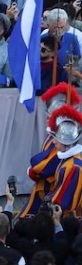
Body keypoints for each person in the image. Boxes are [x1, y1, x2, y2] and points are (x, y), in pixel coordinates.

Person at [25, 83, 80, 216]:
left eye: (50, 117)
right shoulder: (60, 147)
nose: (47, 119)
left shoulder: (73, 166)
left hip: (52, 201)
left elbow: (43, 166)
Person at [47, 105, 82, 214]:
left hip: (67, 217)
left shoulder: (74, 167)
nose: (54, 142)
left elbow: (64, 201)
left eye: (57, 139)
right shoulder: (67, 159)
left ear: (66, 143)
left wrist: (49, 201)